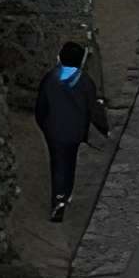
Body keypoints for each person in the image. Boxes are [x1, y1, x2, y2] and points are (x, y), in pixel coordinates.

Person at [30, 39, 111, 222]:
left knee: (57, 164)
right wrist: (105, 128)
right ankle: (67, 193)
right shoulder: (85, 81)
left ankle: (58, 201)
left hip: (54, 131)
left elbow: (41, 107)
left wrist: (43, 125)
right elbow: (94, 109)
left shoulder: (50, 78)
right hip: (75, 131)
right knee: (70, 161)